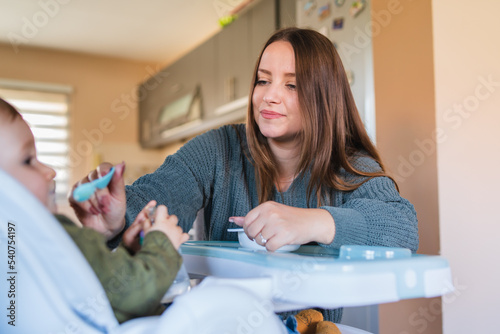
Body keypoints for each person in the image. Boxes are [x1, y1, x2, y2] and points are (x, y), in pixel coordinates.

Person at [70, 27, 419, 322]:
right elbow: (161, 193)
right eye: (263, 81)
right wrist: (117, 218)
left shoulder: (348, 164)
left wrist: (311, 222)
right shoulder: (219, 149)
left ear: (324, 97)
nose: (268, 96)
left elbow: (402, 228)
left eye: (292, 86)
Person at [0, 97, 190, 323]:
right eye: (28, 160)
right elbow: (133, 294)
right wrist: (162, 242)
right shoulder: (55, 236)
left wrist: (128, 252)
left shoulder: (16, 244)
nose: (50, 171)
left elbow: (98, 286)